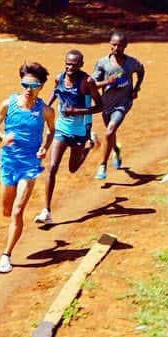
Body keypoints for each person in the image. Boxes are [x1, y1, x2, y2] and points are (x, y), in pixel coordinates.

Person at [0, 62, 56, 274]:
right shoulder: (7, 103)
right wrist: (2, 137)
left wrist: (44, 148)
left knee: (18, 211)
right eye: (25, 84)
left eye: (34, 85)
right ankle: (12, 228)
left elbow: (51, 131)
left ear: (42, 86)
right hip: (9, 161)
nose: (28, 89)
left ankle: (6, 255)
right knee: (6, 211)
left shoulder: (46, 111)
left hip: (30, 165)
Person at [34, 50, 103, 225]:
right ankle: (46, 211)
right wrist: (44, 108)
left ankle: (89, 145)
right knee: (52, 167)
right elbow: (56, 93)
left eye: (74, 64)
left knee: (73, 168)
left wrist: (77, 111)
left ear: (81, 65)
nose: (70, 67)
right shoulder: (59, 78)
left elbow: (100, 106)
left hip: (80, 130)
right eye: (67, 64)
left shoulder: (87, 82)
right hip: (61, 129)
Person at [91, 31, 145, 180]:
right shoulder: (102, 63)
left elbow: (141, 71)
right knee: (111, 134)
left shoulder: (131, 62)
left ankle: (102, 166)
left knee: (109, 132)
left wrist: (136, 88)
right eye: (113, 44)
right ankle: (116, 149)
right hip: (106, 104)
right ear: (110, 44)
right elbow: (93, 84)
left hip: (123, 103)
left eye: (119, 45)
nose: (116, 48)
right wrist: (108, 82)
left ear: (125, 46)